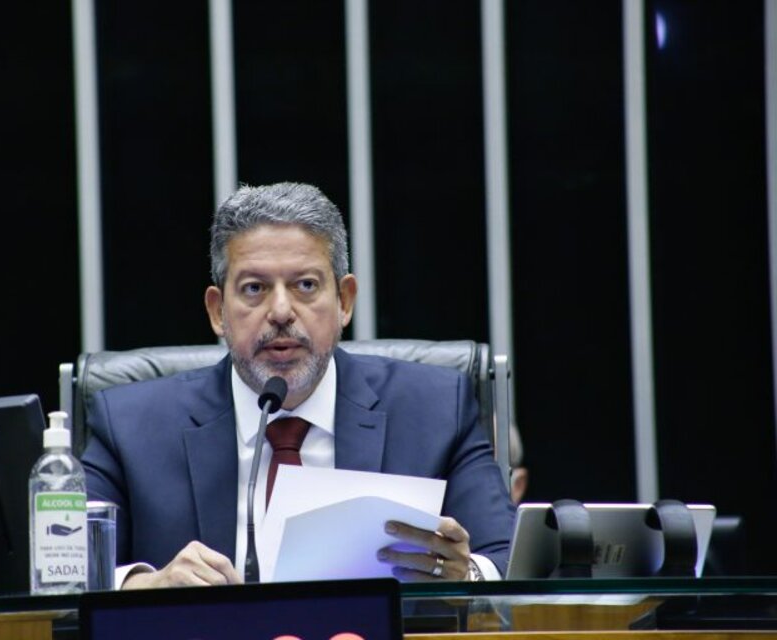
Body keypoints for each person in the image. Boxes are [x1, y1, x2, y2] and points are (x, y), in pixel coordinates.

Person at [81, 182, 516, 589]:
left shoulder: (435, 409)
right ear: (217, 312)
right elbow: (68, 568)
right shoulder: (130, 427)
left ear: (344, 301)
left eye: (306, 285)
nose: (282, 311)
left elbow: (507, 559)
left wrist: (467, 574)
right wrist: (147, 585)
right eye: (254, 289)